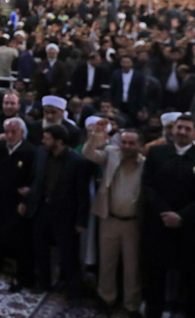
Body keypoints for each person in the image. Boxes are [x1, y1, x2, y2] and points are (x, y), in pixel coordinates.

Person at [82, 123, 144, 316]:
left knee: (132, 267)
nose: (126, 146)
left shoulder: (146, 163)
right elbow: (88, 153)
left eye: (131, 143)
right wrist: (96, 134)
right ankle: (106, 298)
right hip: (108, 219)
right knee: (107, 262)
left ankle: (131, 305)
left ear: (139, 145)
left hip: (133, 223)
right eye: (124, 142)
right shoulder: (111, 153)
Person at [27, 124, 90, 302]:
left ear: (59, 141)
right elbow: (37, 179)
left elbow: (82, 194)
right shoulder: (42, 154)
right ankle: (43, 283)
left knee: (68, 256)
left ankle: (74, 293)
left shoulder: (77, 162)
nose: (43, 141)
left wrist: (81, 221)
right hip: (42, 210)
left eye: (47, 138)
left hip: (64, 215)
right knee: (40, 249)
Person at [141, 113, 195, 318]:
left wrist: (182, 217)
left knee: (191, 277)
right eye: (179, 127)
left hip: (189, 228)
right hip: (158, 224)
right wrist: (165, 212)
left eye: (187, 128)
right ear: (172, 129)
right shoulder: (156, 153)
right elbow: (147, 185)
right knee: (155, 275)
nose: (182, 132)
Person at [0, 117, 36, 291]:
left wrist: (25, 200)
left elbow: (32, 180)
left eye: (13, 132)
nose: (9, 136)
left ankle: (22, 277)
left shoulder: (30, 152)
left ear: (22, 133)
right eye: (7, 132)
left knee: (20, 242)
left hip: (16, 202)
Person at [111, 55, 147, 126]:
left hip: (133, 105)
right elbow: (112, 90)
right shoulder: (116, 74)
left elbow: (141, 92)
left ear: (132, 63)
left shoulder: (139, 75)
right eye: (123, 62)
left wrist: (140, 107)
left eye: (127, 62)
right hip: (119, 103)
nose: (125, 64)